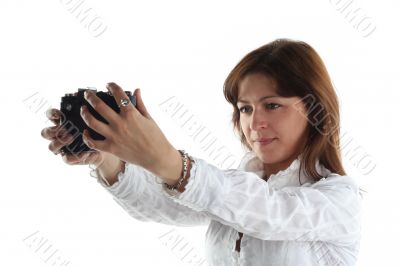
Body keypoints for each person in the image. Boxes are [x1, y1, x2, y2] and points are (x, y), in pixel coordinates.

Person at [41, 38, 362, 265]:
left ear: (314, 109)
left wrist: (168, 159)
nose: (255, 123)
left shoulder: (339, 200)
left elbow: (270, 213)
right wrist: (107, 159)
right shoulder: (235, 187)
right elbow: (166, 204)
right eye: (246, 109)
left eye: (272, 105)